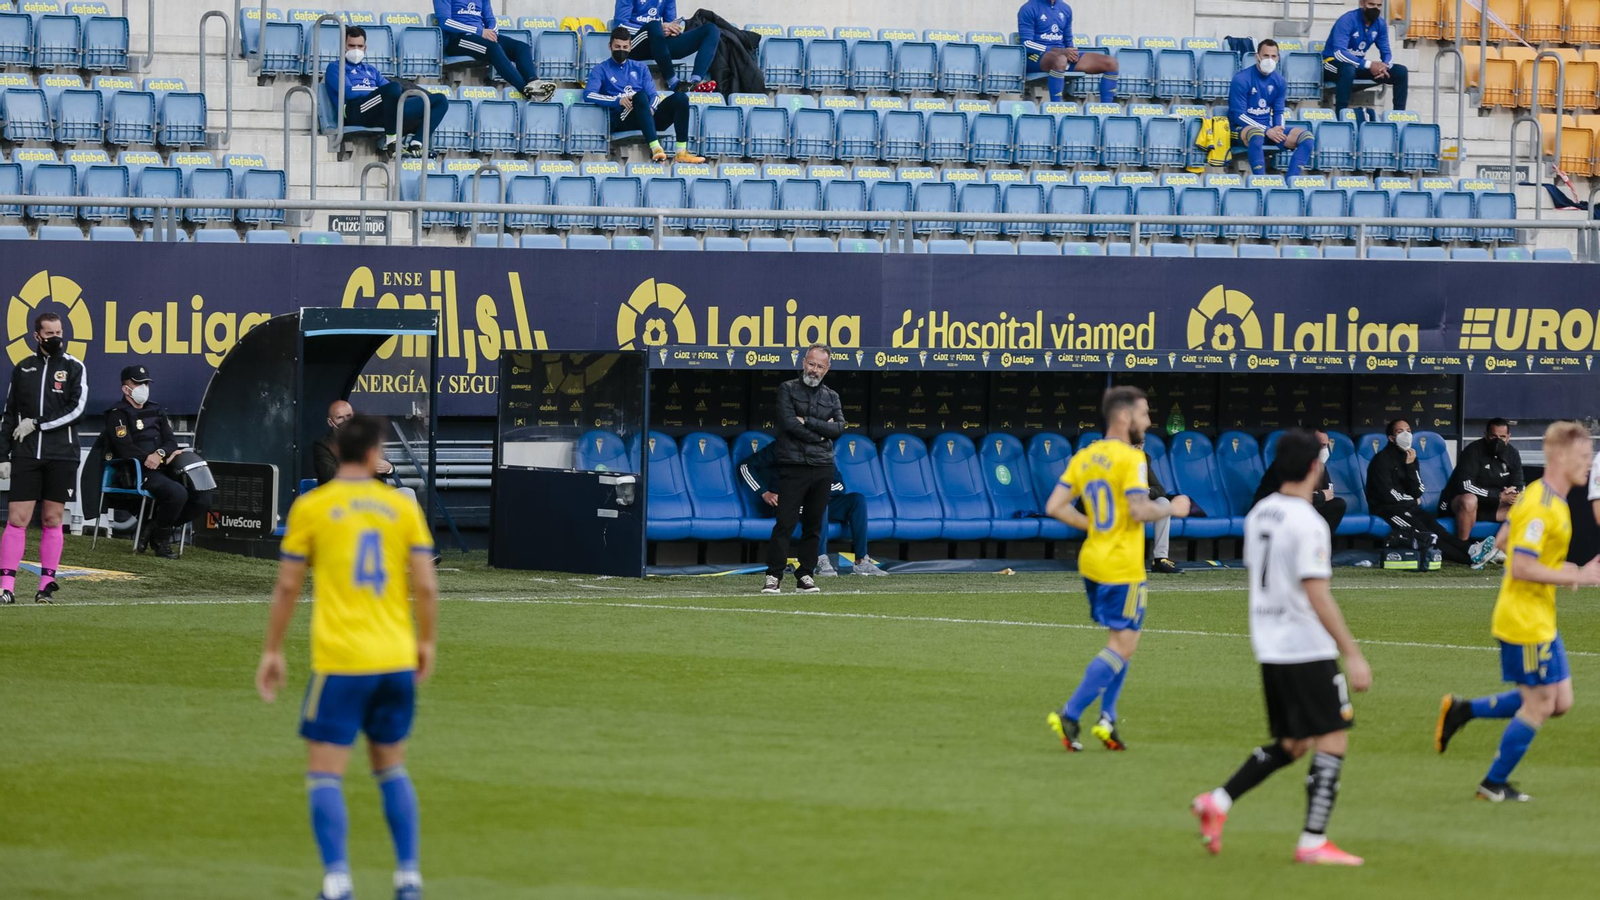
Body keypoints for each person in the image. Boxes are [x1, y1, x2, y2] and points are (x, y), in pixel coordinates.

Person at [256, 416, 439, 900]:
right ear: (376, 453)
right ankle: (409, 878)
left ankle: (338, 882)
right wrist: (426, 643)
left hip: (342, 662)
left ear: (338, 450)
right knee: (392, 767)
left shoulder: (313, 506)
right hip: (396, 658)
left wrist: (272, 650)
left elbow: (288, 585)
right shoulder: (401, 507)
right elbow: (425, 583)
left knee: (324, 773)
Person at [1191, 429, 1371, 866]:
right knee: (1332, 738)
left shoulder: (1260, 514)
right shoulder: (1307, 520)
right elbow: (1317, 592)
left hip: (1270, 644)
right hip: (1306, 645)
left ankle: (1218, 800)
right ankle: (1313, 840)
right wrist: (1351, 651)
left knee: (1293, 744)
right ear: (1314, 468)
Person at [1433, 422, 1600, 802]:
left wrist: (1558, 574)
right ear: (1559, 456)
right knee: (1540, 703)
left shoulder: (1544, 498)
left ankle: (1462, 710)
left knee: (1560, 702)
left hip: (1540, 615)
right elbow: (1521, 565)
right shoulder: (1543, 506)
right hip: (1525, 620)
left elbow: (1505, 539)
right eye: (1583, 457)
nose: (1588, 464)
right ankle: (1492, 784)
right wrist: (1574, 573)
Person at [1044, 387, 1189, 752]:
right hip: (1121, 564)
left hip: (1093, 560)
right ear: (1124, 418)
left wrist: (1093, 526)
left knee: (1123, 641)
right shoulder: (1131, 458)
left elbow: (1056, 506)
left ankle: (1107, 719)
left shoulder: (1086, 456)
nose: (1150, 422)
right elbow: (1140, 510)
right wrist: (1173, 507)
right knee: (1123, 643)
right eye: (1144, 414)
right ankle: (1071, 713)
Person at [0, 312, 86, 605]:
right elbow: (10, 414)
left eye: (59, 332)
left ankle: (46, 585)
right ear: (36, 336)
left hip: (62, 455)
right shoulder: (23, 368)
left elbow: (77, 410)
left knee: (52, 519)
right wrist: (3, 455)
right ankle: (6, 586)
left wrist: (37, 423)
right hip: (26, 454)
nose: (56, 338)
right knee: (17, 519)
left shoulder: (75, 367)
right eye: (49, 334)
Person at [761, 345, 845, 596]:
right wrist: (821, 433)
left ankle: (805, 575)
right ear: (803, 361)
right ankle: (773, 576)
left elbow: (839, 428)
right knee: (784, 523)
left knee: (814, 524)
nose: (814, 370)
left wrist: (807, 421)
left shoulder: (832, 396)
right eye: (811, 363)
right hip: (793, 466)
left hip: (822, 467)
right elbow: (788, 423)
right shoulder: (787, 389)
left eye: (820, 366)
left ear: (827, 369)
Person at [104, 365, 212, 560]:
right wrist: (148, 458)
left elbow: (170, 441)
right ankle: (161, 541)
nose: (142, 387)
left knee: (202, 498)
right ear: (125, 388)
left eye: (145, 383)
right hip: (137, 471)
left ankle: (152, 526)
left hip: (164, 466)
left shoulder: (156, 409)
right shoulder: (117, 413)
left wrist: (160, 454)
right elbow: (124, 447)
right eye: (137, 383)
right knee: (177, 493)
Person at [738, 440, 887, 577]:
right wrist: (764, 492)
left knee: (856, 500)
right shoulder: (783, 446)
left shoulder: (822, 450)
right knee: (818, 504)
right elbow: (745, 466)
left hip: (819, 503)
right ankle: (819, 560)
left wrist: (817, 491)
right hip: (791, 504)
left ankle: (861, 561)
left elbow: (839, 485)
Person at [1365, 418, 1493, 567]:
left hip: (1410, 507)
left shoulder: (1411, 456)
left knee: (1439, 530)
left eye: (1409, 431)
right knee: (1427, 535)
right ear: (1392, 438)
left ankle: (1471, 549)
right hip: (1389, 510)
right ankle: (1470, 560)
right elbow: (1388, 494)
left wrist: (1410, 467)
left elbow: (1418, 490)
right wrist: (1412, 500)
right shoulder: (1381, 459)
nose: (1406, 435)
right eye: (1400, 432)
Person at [587, 27, 706, 165]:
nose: (621, 50)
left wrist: (652, 109)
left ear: (631, 47)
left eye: (625, 47)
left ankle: (681, 152)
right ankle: (655, 148)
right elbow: (589, 94)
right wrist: (617, 100)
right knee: (640, 96)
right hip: (623, 118)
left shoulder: (640, 67)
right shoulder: (600, 69)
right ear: (610, 47)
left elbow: (654, 95)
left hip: (646, 115)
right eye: (617, 47)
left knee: (680, 98)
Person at [326, 27, 450, 156]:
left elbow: (390, 90)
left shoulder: (371, 70)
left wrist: (378, 92)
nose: (356, 50)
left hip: (384, 110)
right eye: (351, 46)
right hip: (357, 111)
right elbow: (349, 93)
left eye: (360, 46)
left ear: (365, 48)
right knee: (393, 88)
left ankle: (416, 144)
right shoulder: (335, 67)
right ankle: (392, 141)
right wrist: (377, 91)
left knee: (439, 100)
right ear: (343, 46)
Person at [433, 1, 555, 101]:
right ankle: (527, 91)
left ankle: (534, 83)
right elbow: (445, 22)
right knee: (493, 49)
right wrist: (479, 31)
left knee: (522, 47)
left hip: (481, 36)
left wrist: (491, 32)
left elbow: (491, 19)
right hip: (458, 39)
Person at [1229, 39, 1315, 177]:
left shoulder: (1279, 81)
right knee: (1256, 134)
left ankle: (1290, 182)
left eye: (1273, 56)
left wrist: (1278, 129)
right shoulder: (1241, 79)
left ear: (1278, 58)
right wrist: (1267, 130)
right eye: (1266, 56)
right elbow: (1239, 116)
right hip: (1241, 130)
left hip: (1268, 130)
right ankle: (1261, 182)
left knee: (1307, 137)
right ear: (1257, 56)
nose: (1269, 60)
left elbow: (1279, 111)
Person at [1017, 0, 1119, 104]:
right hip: (1036, 57)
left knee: (1111, 63)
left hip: (1062, 55)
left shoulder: (1065, 8)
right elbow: (1026, 44)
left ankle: (1107, 108)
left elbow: (1068, 40)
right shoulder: (1028, 8)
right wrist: (1060, 51)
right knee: (1060, 60)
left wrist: (1071, 52)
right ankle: (1057, 107)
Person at [1440, 418, 1523, 544]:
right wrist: (1498, 496)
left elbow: (1519, 484)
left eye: (1502, 437)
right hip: (1460, 504)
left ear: (1508, 437)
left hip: (1491, 507)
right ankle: (1463, 547)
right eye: (1493, 436)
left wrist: (1513, 493)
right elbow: (1465, 485)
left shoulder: (1512, 454)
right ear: (1486, 435)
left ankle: (1501, 548)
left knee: (1526, 505)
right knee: (1469, 500)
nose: (1497, 440)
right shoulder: (1472, 451)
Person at [1323, 0, 1408, 121]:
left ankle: (1399, 117)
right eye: (1371, 5)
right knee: (1348, 69)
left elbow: (1386, 51)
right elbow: (1339, 53)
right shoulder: (1347, 20)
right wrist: (1368, 64)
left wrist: (1385, 66)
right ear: (1362, 4)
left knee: (1401, 72)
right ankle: (1341, 117)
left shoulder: (1380, 24)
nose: (1375, 9)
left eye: (1379, 6)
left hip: (1357, 65)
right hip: (1331, 63)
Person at [613, 0, 721, 93]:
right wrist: (658, 28)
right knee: (654, 25)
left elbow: (670, 22)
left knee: (711, 29)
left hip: (659, 43)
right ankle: (674, 83)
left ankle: (694, 83)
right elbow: (620, 25)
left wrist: (674, 29)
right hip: (634, 44)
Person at [1253, 430, 1347, 535]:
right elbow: (1290, 495)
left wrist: (1318, 497)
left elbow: (1329, 494)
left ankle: (1322, 544)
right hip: (1273, 511)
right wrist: (1320, 496)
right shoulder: (1287, 464)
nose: (1323, 450)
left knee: (1338, 504)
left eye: (1325, 445)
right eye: (1319, 445)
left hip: (1299, 508)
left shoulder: (1319, 466)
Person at [1138, 433, 1186, 576]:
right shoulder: (1117, 459)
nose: (1139, 447)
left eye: (1142, 443)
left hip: (1142, 502)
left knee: (1164, 503)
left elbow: (1159, 489)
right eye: (1135, 444)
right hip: (1120, 504)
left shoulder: (1143, 458)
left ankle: (1160, 559)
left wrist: (1146, 492)